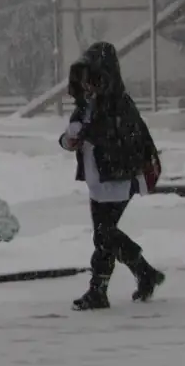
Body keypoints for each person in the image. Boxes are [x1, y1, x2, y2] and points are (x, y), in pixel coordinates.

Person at [60, 42, 165, 311]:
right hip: (98, 181)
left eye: (90, 78)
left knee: (104, 234)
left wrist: (86, 135)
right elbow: (72, 132)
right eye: (82, 79)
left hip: (118, 179)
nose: (86, 85)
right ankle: (143, 274)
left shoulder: (119, 105)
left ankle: (101, 289)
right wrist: (68, 140)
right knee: (105, 235)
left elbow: (124, 141)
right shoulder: (87, 104)